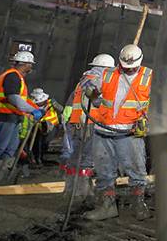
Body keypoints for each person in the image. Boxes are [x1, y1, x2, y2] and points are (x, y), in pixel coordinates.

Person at [82, 44, 151, 221]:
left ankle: (138, 205)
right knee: (104, 172)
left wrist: (149, 122)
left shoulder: (149, 77)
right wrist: (90, 89)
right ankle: (107, 206)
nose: (129, 70)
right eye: (125, 66)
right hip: (103, 130)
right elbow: (91, 89)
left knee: (136, 171)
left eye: (132, 67)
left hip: (129, 133)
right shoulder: (108, 73)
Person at [0, 50, 41, 183]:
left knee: (11, 148)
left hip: (13, 117)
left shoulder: (17, 77)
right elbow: (13, 98)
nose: (31, 67)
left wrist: (35, 109)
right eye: (30, 64)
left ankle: (0, 175)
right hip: (5, 116)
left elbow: (21, 99)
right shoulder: (12, 76)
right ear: (25, 64)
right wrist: (32, 110)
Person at [60, 53, 113, 207]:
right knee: (87, 161)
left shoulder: (84, 80)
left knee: (75, 159)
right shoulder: (97, 80)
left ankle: (71, 191)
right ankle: (81, 195)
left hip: (78, 124)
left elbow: (72, 103)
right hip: (90, 125)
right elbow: (97, 101)